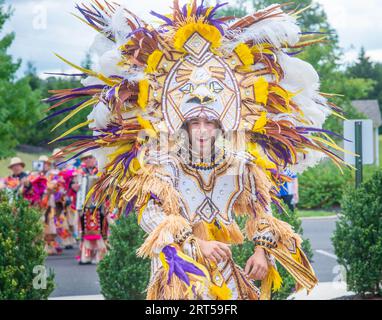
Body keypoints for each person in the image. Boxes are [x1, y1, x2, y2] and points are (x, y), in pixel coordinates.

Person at [46, 1, 351, 299]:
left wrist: (261, 251)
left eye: (210, 122)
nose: (203, 129)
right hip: (176, 267)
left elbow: (263, 212)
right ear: (184, 127)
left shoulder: (240, 163)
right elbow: (151, 216)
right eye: (196, 123)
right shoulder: (161, 162)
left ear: (221, 127)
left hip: (224, 266)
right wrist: (195, 243)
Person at [76, 152, 107, 264]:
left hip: (99, 206)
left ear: (95, 159)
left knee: (99, 230)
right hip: (84, 206)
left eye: (90, 157)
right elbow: (73, 187)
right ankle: (87, 256)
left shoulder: (101, 171)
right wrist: (74, 187)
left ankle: (99, 255)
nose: (88, 160)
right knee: (85, 230)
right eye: (86, 158)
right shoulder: (80, 173)